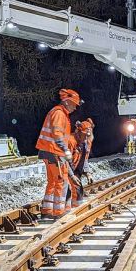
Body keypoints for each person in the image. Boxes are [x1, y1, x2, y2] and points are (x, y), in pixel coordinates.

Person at [35, 89, 82, 218]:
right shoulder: (59, 114)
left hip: (48, 151)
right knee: (61, 181)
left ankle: (46, 211)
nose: (75, 108)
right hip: (54, 151)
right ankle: (58, 212)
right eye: (74, 104)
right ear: (67, 102)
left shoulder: (58, 113)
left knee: (52, 181)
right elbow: (57, 134)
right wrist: (65, 150)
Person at [66, 118, 95, 208]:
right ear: (79, 133)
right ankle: (67, 212)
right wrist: (72, 175)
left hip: (74, 169)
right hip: (65, 169)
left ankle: (76, 209)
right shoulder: (70, 141)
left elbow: (84, 159)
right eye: (85, 135)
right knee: (68, 190)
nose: (87, 138)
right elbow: (64, 161)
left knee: (78, 190)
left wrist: (88, 173)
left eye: (88, 135)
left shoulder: (85, 143)